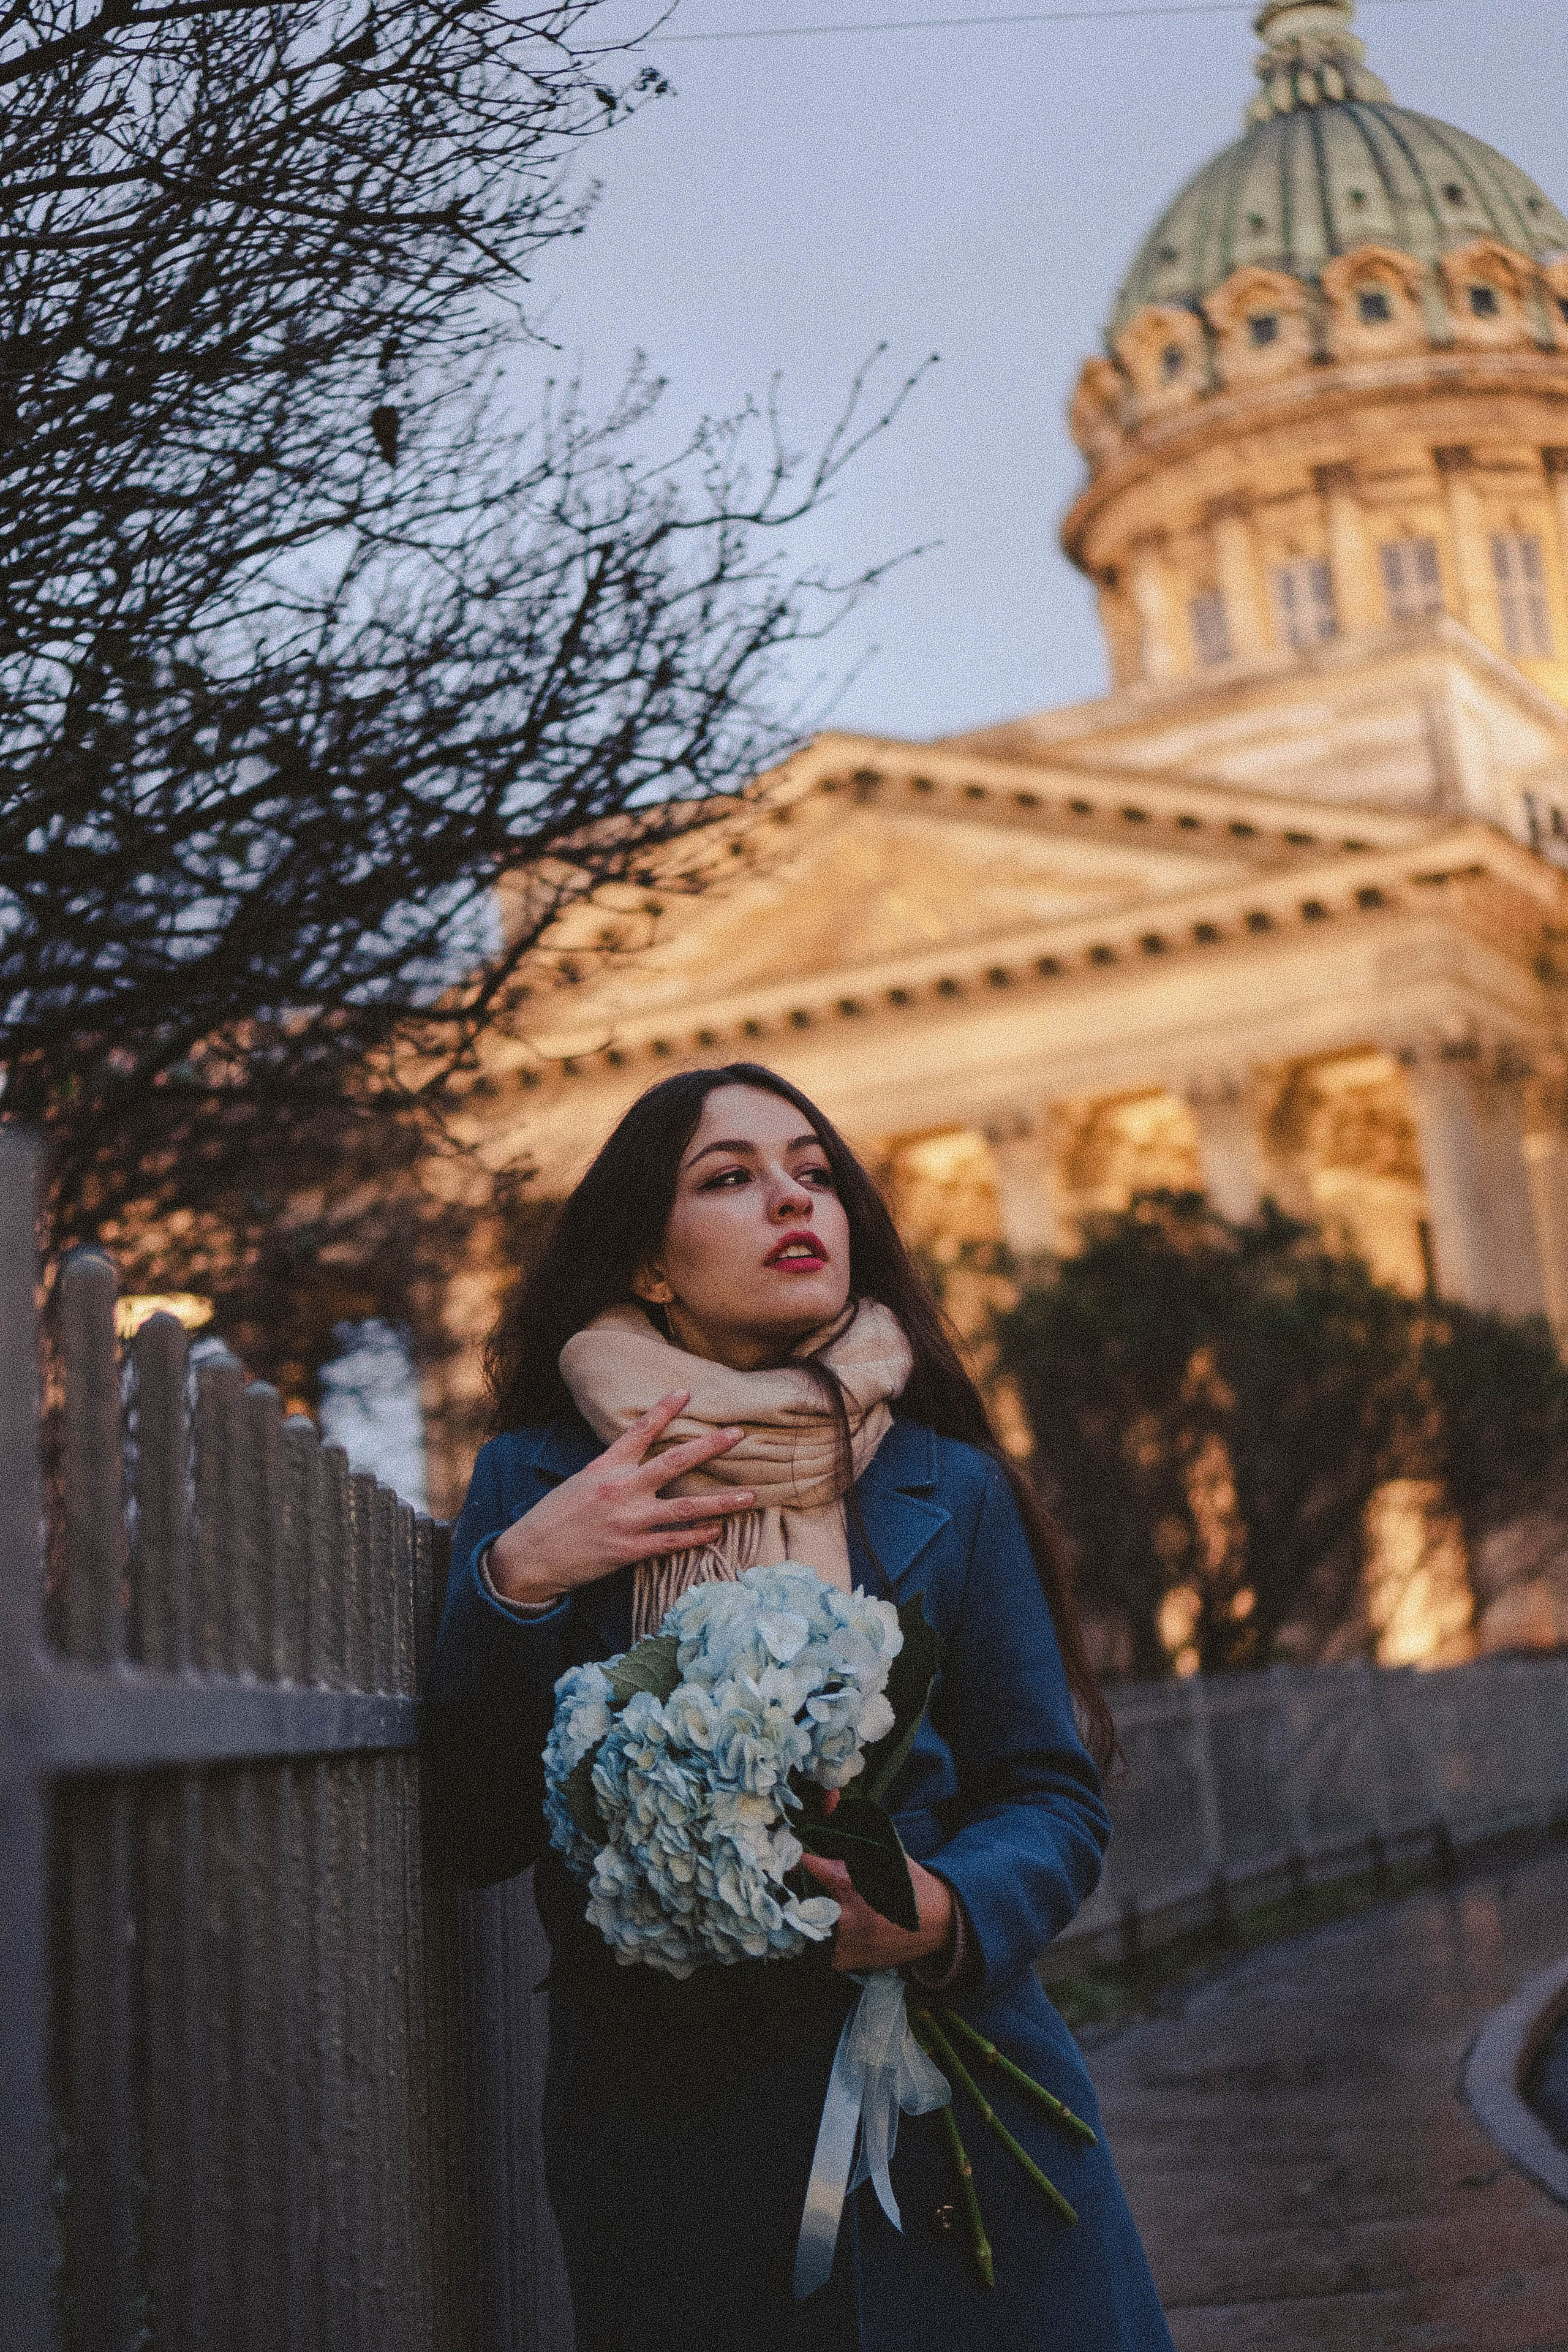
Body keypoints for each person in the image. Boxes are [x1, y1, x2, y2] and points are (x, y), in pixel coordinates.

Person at [428, 1063, 1174, 2352]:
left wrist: (940, 1909)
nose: (792, 1200)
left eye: (813, 1174)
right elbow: (473, 1829)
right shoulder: (536, 1483)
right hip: (668, 2136)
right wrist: (525, 1576)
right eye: (729, 1178)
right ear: (649, 1263)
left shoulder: (950, 1486)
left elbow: (1045, 1794)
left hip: (955, 2100)